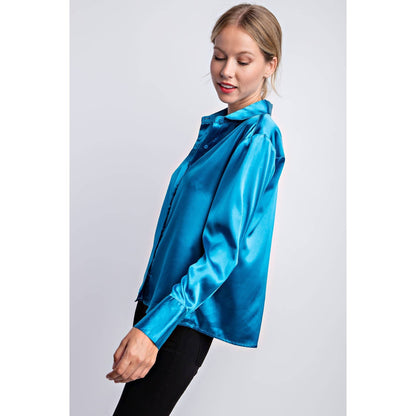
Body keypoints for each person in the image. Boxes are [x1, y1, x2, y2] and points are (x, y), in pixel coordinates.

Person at [106, 3, 285, 415]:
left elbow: (222, 251)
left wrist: (154, 329)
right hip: (164, 304)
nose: (226, 71)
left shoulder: (257, 138)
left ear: (269, 65)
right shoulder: (222, 130)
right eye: (219, 56)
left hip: (182, 314)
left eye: (243, 61)